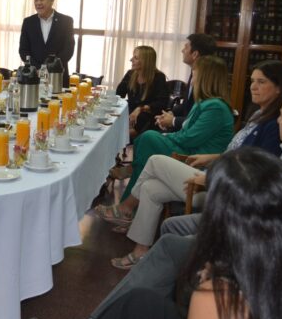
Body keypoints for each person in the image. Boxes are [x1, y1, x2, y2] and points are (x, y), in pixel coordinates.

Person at [30, 100, 282, 319]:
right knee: (161, 205)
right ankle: (151, 269)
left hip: (257, 255)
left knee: (162, 211)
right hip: (253, 233)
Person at [112, 88, 282, 269]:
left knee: (156, 161)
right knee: (151, 188)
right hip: (221, 179)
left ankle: (126, 208)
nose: (279, 121)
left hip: (226, 194)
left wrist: (214, 176)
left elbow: (259, 193)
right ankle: (140, 251)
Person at [98, 56, 234, 229]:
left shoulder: (215, 107)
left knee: (149, 138)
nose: (193, 76)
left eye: (196, 72)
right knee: (146, 140)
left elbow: (189, 138)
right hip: (190, 151)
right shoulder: (206, 103)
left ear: (206, 76)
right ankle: (127, 205)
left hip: (196, 159)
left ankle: (126, 203)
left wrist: (165, 137)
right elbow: (187, 135)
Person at [154, 33, 216, 132]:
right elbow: (186, 105)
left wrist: (173, 120)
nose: (182, 50)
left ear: (195, 54)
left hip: (192, 132)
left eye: (186, 47)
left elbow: (200, 117)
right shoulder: (193, 72)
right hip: (184, 126)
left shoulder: (208, 82)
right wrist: (170, 114)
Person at [18, 0, 75, 83]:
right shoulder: (28, 22)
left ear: (52, 0)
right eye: (36, 0)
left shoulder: (66, 21)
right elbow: (23, 51)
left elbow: (68, 50)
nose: (38, 3)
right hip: (34, 77)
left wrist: (48, 68)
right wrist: (38, 69)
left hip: (58, 77)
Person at [115, 45, 169, 138]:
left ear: (145, 61)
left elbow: (161, 103)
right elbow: (119, 94)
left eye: (135, 58)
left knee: (141, 117)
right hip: (131, 114)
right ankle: (117, 136)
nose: (131, 60)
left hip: (148, 117)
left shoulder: (158, 77)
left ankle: (118, 137)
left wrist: (141, 108)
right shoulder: (130, 74)